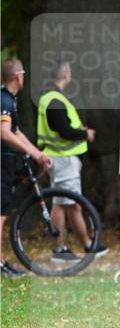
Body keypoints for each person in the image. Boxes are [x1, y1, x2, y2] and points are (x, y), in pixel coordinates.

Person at [36, 61, 107, 260]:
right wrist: (84, 134)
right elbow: (63, 129)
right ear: (66, 73)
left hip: (59, 158)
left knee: (61, 203)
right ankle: (87, 245)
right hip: (63, 159)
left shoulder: (51, 97)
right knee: (73, 204)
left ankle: (62, 249)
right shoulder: (55, 100)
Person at [1, 58, 53, 277]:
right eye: (23, 74)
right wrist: (33, 153)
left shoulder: (10, 100)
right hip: (2, 161)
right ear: (18, 76)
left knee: (3, 212)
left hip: (8, 161)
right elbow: (4, 133)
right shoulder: (4, 100)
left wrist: (37, 153)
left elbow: (16, 132)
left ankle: (2, 262)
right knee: (1, 214)